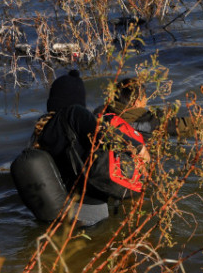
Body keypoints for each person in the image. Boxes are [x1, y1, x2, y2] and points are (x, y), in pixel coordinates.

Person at [34, 70, 148, 228]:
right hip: (91, 209)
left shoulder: (42, 131)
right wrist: (138, 148)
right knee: (98, 241)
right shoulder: (74, 113)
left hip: (64, 207)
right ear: (77, 97)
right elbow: (105, 134)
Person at [98, 77, 203, 139]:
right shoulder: (148, 121)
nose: (146, 101)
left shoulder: (101, 113)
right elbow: (183, 126)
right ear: (136, 102)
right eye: (144, 98)